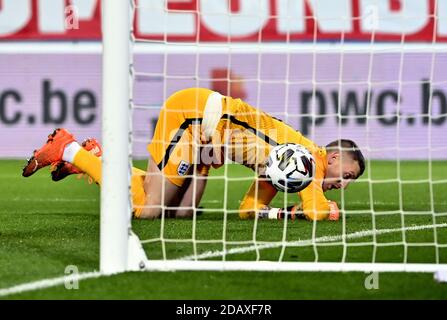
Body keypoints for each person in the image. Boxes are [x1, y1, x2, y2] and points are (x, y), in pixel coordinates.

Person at [22, 88, 365, 221]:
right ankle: (67, 147)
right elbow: (319, 211)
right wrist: (322, 210)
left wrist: (285, 215)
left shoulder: (287, 163)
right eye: (347, 176)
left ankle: (97, 155)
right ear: (333, 159)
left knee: (183, 212)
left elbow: (248, 210)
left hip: (205, 138)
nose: (344, 186)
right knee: (147, 210)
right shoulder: (303, 161)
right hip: (194, 117)